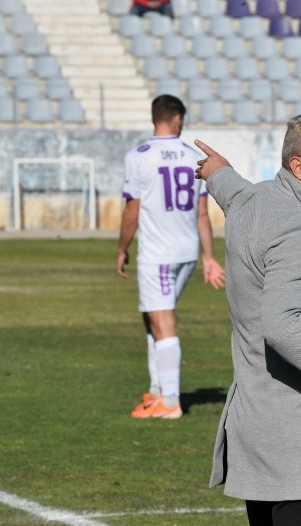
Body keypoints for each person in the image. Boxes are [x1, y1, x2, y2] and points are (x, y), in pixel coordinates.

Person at [194, 109, 301, 526]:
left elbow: (233, 193)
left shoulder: (256, 201)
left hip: (261, 442)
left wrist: (217, 172)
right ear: (299, 169)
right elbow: (282, 320)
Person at [117, 94, 225, 420]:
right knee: (153, 317)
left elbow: (132, 212)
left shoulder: (138, 156)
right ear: (177, 118)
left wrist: (122, 248)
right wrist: (208, 257)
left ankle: (171, 400)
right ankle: (156, 392)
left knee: (162, 322)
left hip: (157, 254)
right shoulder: (194, 156)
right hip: (186, 252)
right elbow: (203, 214)